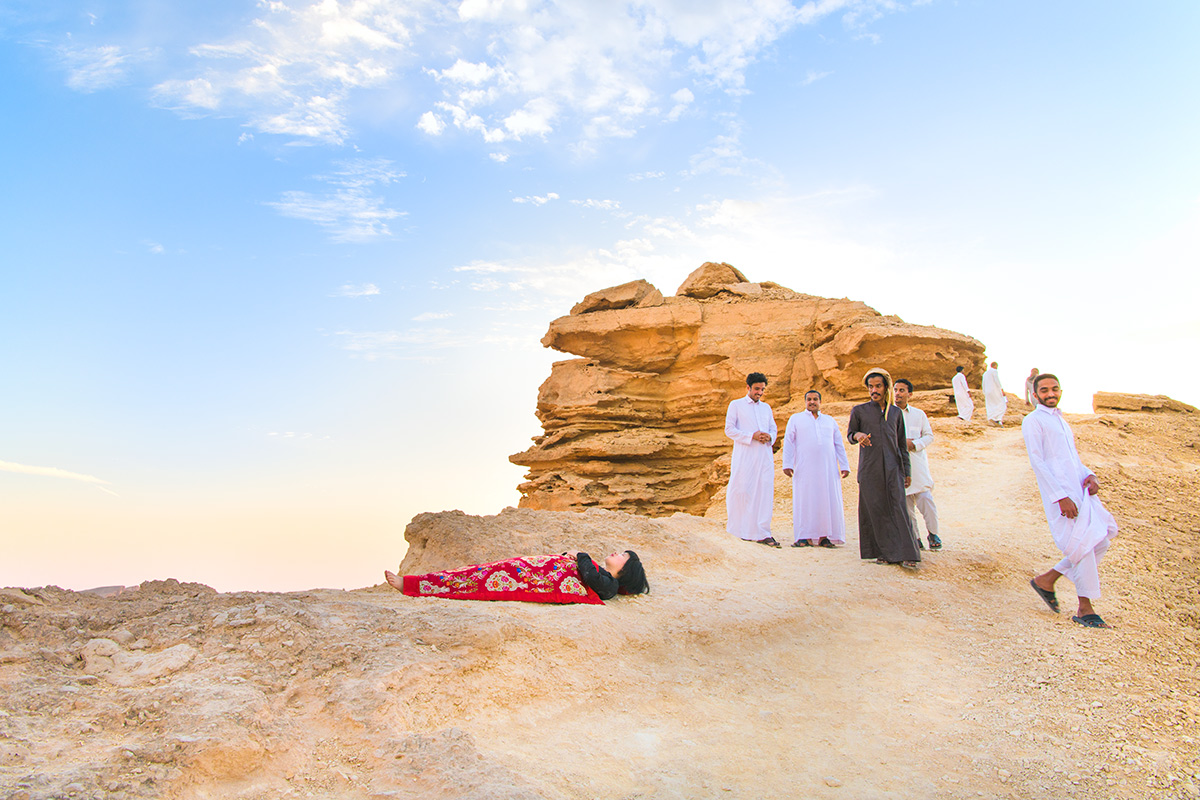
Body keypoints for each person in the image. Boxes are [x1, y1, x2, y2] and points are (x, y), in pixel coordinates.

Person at [1024, 374, 1118, 628]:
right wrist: (1060, 497)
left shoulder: (1061, 421)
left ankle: (1047, 579)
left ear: (1061, 391)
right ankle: (1085, 608)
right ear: (1035, 395)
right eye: (1044, 390)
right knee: (1084, 545)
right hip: (1062, 496)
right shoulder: (1033, 421)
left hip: (1080, 491)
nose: (1050, 393)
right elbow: (1038, 462)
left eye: (1054, 389)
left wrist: (1089, 474)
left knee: (1103, 536)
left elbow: (1071, 458)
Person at [846, 368, 921, 569]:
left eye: (878, 386)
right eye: (871, 387)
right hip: (870, 469)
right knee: (876, 510)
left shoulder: (895, 413)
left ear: (886, 387)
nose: (874, 390)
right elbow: (850, 435)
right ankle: (883, 552)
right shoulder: (859, 411)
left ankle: (907, 554)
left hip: (893, 468)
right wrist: (858, 436)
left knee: (898, 508)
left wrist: (907, 471)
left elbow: (901, 446)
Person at [385, 550, 649, 604]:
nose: (616, 552)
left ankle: (412, 585)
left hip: (528, 578)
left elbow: (588, 577)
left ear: (624, 570)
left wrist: (581, 554)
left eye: (622, 555)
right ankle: (415, 582)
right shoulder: (605, 576)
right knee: (475, 572)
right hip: (528, 569)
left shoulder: (610, 585)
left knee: (475, 580)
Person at [781, 390, 849, 548]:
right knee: (805, 499)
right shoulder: (796, 419)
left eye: (815, 399)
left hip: (828, 468)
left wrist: (844, 465)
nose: (812, 402)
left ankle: (824, 537)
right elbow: (789, 442)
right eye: (809, 399)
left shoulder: (830, 421)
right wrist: (787, 464)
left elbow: (838, 443)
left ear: (820, 401)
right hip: (805, 467)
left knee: (826, 500)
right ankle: (804, 537)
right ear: (805, 402)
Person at [725, 372, 780, 547]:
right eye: (757, 389)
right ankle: (739, 531)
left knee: (764, 491)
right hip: (745, 457)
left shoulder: (766, 408)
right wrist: (752, 436)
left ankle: (763, 532)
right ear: (748, 387)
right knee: (741, 491)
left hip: (764, 457)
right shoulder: (736, 405)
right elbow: (729, 430)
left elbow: (773, 428)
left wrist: (769, 437)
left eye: (762, 389)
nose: (760, 393)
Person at [894, 379, 942, 551]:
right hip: (898, 467)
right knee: (906, 508)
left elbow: (929, 436)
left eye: (902, 390)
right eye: (895, 390)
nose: (898, 393)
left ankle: (933, 533)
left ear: (910, 394)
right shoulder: (888, 414)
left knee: (926, 501)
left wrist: (914, 444)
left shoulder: (919, 414)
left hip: (918, 466)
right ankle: (915, 538)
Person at [982, 361, 1008, 425]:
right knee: (1002, 404)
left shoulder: (985, 373)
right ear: (995, 365)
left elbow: (983, 383)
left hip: (987, 392)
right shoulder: (994, 371)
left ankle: (992, 418)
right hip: (994, 391)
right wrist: (1001, 389)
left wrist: (984, 391)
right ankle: (997, 418)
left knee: (990, 405)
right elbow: (997, 381)